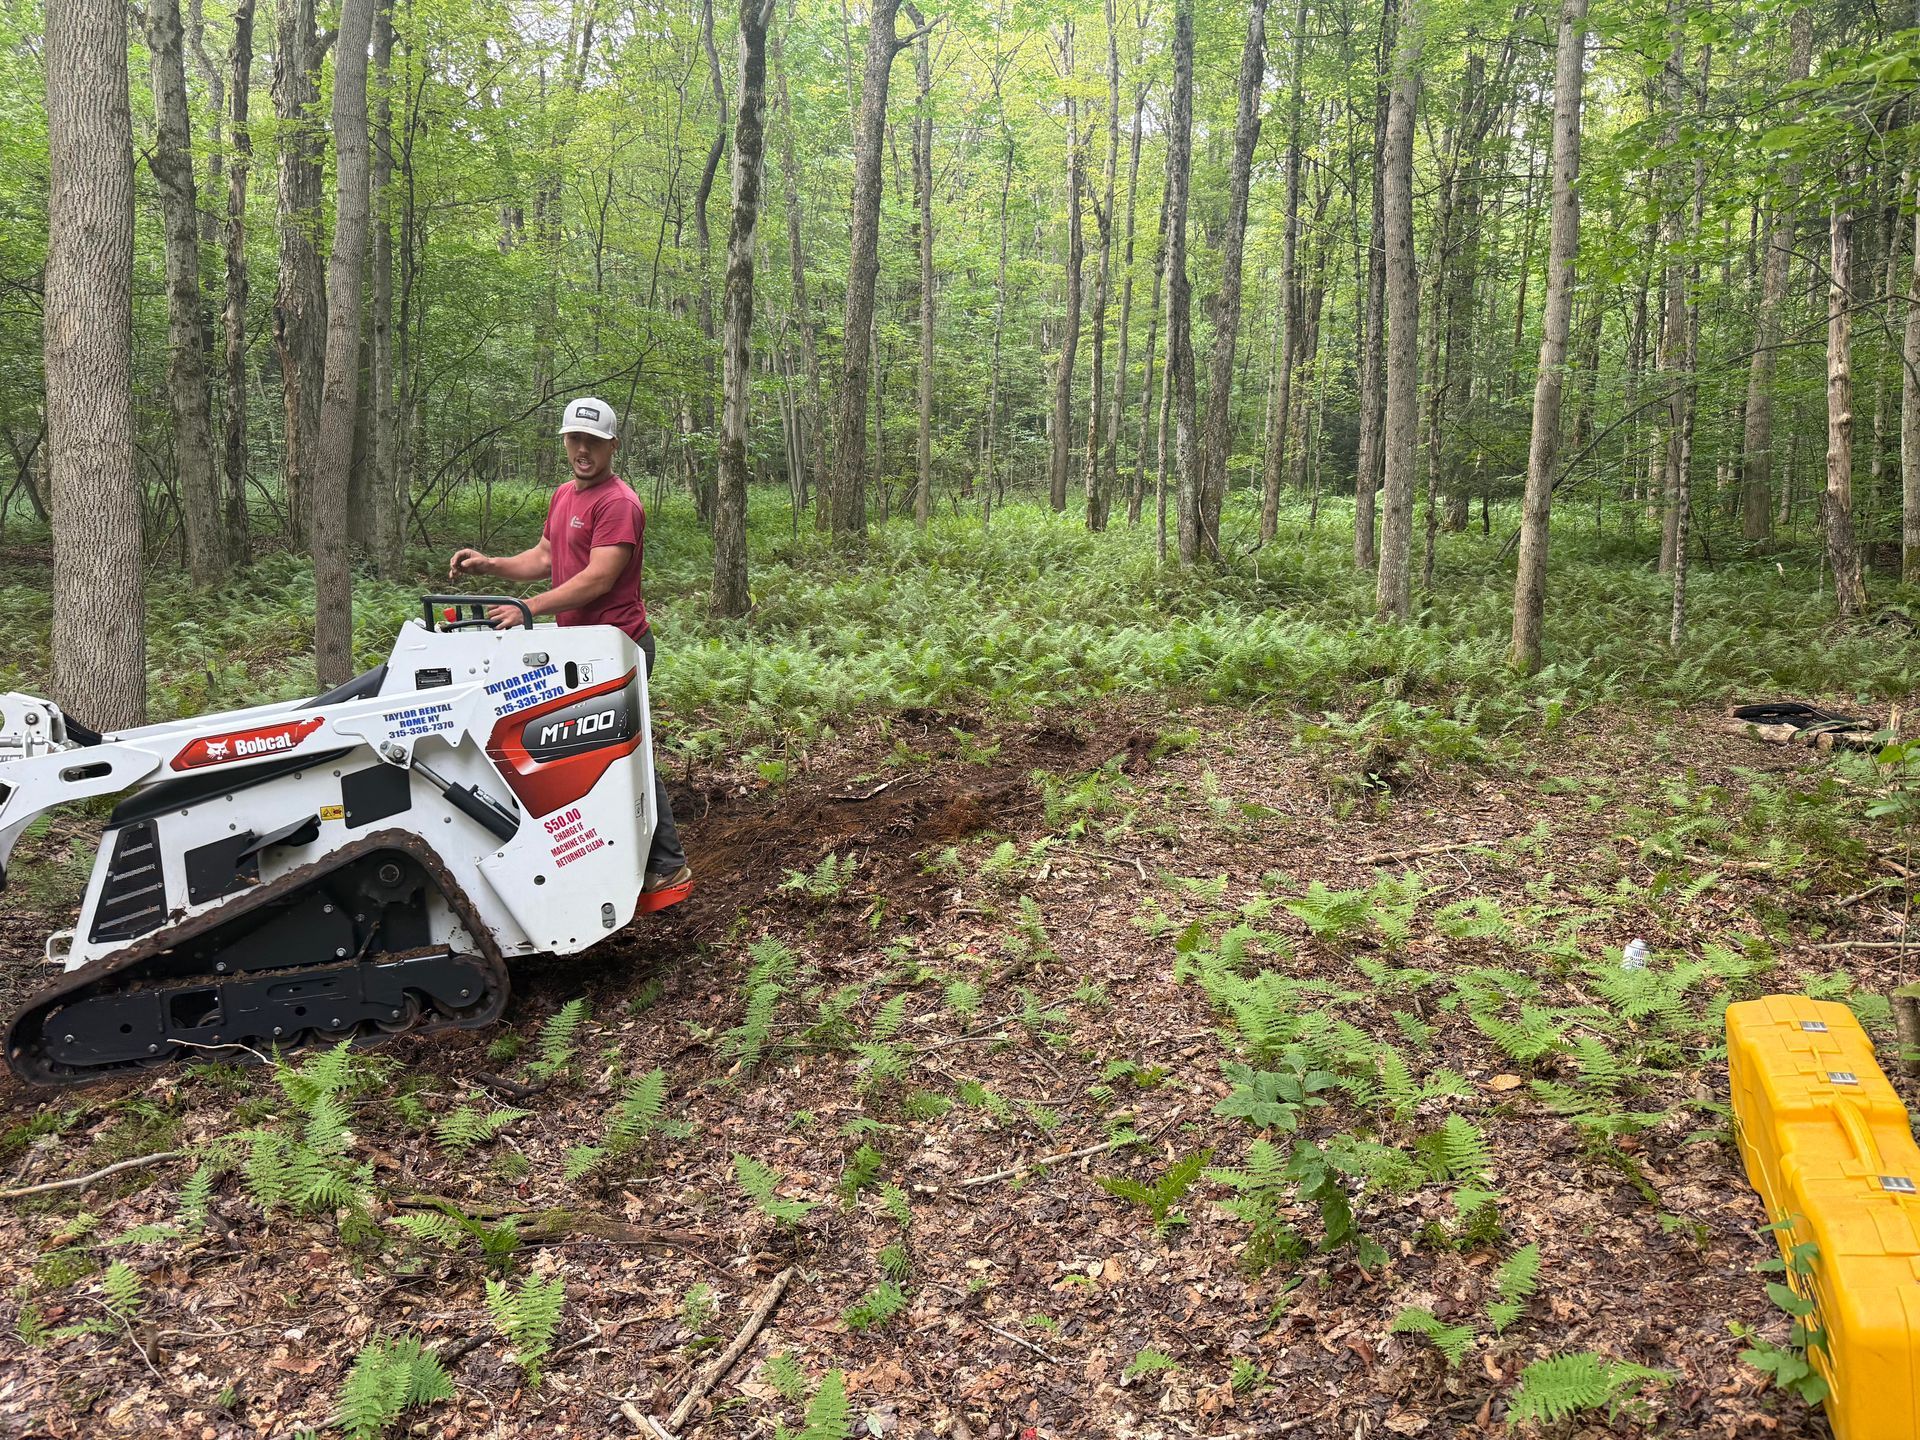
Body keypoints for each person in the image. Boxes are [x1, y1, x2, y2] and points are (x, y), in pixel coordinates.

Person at [448, 396, 692, 910]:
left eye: (593, 442)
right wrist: (490, 565)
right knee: (581, 753)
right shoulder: (564, 495)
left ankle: (666, 867)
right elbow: (544, 556)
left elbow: (599, 578)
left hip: (617, 646)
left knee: (622, 753)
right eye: (574, 440)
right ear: (564, 441)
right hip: (576, 650)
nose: (582, 450)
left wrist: (528, 608)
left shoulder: (618, 503)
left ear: (612, 446)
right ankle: (591, 859)